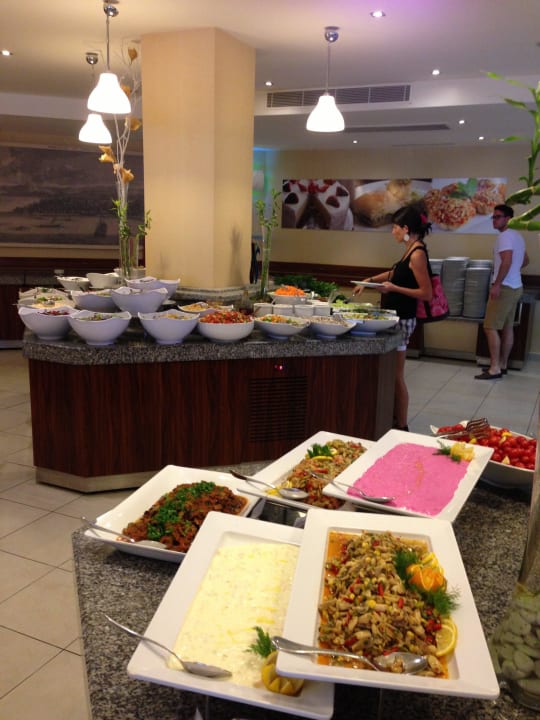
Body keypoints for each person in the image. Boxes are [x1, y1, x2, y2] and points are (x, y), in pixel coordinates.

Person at [353, 206, 433, 431]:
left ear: (406, 229)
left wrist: (394, 288)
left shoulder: (417, 254)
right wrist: (368, 281)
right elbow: (395, 274)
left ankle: (403, 425)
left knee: (396, 375)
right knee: (390, 373)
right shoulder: (410, 250)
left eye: (395, 227)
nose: (392, 232)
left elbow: (426, 293)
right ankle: (392, 418)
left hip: (404, 320)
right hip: (396, 317)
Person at [475, 204, 529, 380]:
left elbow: (506, 261)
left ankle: (494, 368)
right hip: (516, 286)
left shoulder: (505, 237)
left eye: (498, 217)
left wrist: (497, 284)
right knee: (507, 327)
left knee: (490, 327)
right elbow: (525, 260)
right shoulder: (517, 236)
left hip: (505, 287)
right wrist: (513, 271)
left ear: (508, 219)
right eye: (494, 217)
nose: (494, 220)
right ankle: (503, 364)